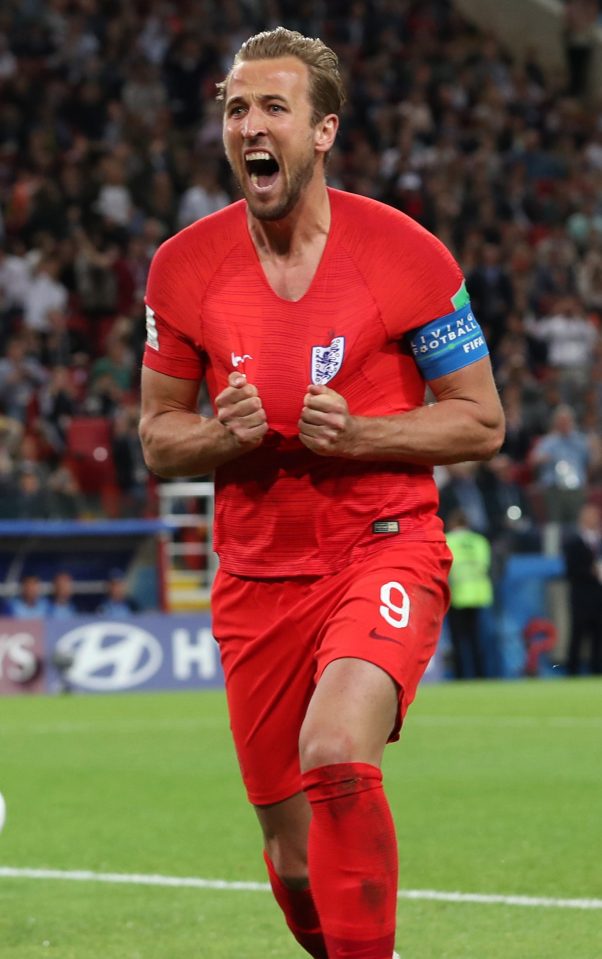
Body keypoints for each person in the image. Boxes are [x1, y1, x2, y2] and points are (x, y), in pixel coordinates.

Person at [139, 27, 505, 959]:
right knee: (294, 857)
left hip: (383, 543)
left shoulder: (407, 253)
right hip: (258, 578)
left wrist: (366, 434)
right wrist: (225, 436)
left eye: (273, 107)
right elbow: (156, 436)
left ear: (324, 129)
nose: (249, 126)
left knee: (338, 747)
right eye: (234, 109)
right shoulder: (183, 267)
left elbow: (480, 420)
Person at [444, 509, 495, 679]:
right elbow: (487, 566)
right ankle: (480, 675)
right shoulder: (479, 541)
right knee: (476, 640)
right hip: (479, 594)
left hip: (457, 594)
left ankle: (460, 676)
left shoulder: (448, 540)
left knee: (458, 641)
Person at [562, 502, 602, 675]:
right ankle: (572, 671)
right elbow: (570, 571)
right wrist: (591, 571)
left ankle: (597, 670)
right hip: (581, 596)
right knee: (577, 635)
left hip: (599, 596)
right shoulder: (573, 543)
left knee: (599, 637)